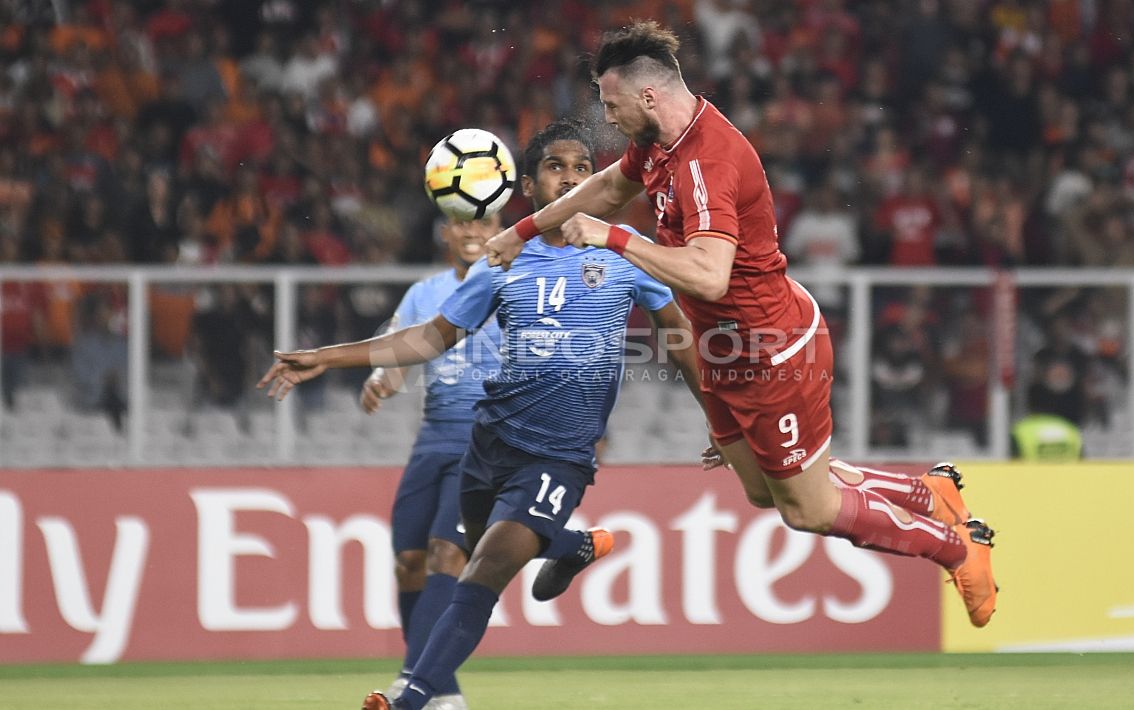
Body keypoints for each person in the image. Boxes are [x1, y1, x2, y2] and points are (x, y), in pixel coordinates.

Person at [485, 21, 997, 628]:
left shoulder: (707, 163)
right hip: (728, 352)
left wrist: (614, 238)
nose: (606, 114)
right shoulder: (660, 143)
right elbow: (604, 189)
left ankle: (959, 547)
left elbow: (708, 277)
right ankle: (924, 494)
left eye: (610, 101)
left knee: (805, 509)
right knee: (761, 488)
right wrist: (522, 232)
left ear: (648, 97)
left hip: (775, 351)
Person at [257, 119, 704, 710]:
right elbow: (428, 339)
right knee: (467, 556)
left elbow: (679, 337)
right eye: (555, 167)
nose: (569, 178)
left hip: (560, 452)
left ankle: (411, 697)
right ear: (529, 183)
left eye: (580, 169)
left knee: (482, 569)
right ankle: (569, 546)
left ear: (593, 180)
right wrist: (325, 357)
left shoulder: (623, 251)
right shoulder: (504, 260)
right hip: (488, 445)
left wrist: (720, 419)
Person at [360, 215, 505, 708]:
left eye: (484, 221)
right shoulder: (424, 292)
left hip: (483, 443)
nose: (473, 232)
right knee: (409, 563)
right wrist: (380, 380)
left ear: (500, 227)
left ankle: (411, 677)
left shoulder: (514, 282)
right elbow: (400, 354)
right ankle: (444, 691)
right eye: (462, 221)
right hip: (431, 441)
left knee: (449, 554)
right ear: (444, 230)